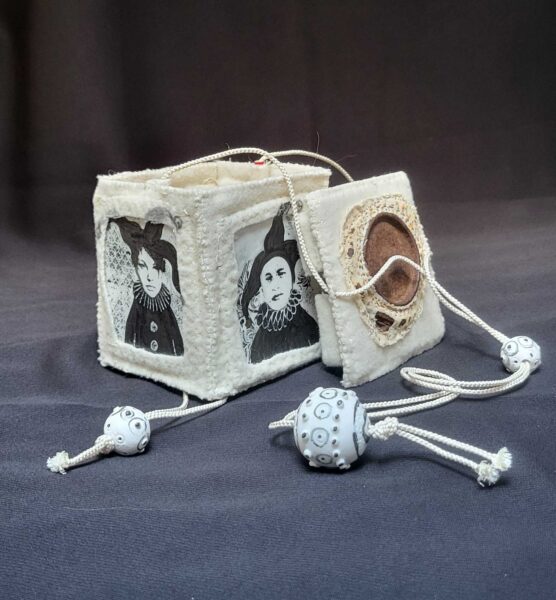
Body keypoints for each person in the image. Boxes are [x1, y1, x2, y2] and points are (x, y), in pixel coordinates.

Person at [241, 213, 319, 363]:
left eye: (281, 273)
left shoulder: (308, 325)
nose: (276, 286)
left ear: (292, 280)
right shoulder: (259, 341)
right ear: (262, 288)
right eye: (268, 278)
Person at [110, 218, 184, 356]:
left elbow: (176, 337)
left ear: (162, 270)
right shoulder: (138, 304)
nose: (149, 277)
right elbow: (129, 335)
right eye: (142, 266)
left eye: (155, 268)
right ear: (136, 269)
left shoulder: (165, 305)